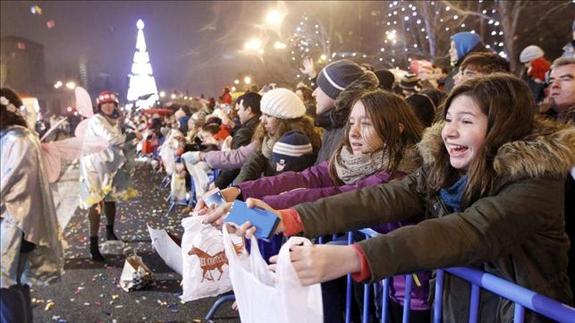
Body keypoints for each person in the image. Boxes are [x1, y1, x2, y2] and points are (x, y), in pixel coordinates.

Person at [207, 74, 575, 322]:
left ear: (501, 126)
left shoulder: (536, 180)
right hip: (458, 308)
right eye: (448, 119)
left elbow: (470, 231)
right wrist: (287, 218)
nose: (450, 131)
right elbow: (376, 199)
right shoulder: (443, 168)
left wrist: (354, 255)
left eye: (466, 120)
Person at [1, 88, 64, 322]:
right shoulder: (18, 138)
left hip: (14, 224)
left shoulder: (17, 140)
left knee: (6, 286)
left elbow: (10, 183)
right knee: (14, 284)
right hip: (17, 222)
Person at [79, 91, 140, 262]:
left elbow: (117, 140)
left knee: (111, 199)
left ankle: (110, 231)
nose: (107, 105)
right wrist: (131, 135)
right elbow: (113, 140)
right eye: (104, 103)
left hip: (110, 167)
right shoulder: (97, 120)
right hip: (95, 167)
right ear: (99, 106)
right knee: (96, 204)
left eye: (110, 103)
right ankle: (93, 245)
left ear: (115, 105)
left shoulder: (111, 120)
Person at [234, 88, 321, 183]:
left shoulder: (296, 144)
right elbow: (252, 164)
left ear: (283, 120)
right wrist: (236, 188)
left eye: (268, 116)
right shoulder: (268, 138)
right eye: (262, 114)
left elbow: (282, 183)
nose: (262, 120)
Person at [313, 59, 379, 164]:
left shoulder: (350, 130)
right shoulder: (333, 121)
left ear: (336, 94)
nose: (314, 93)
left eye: (320, 87)